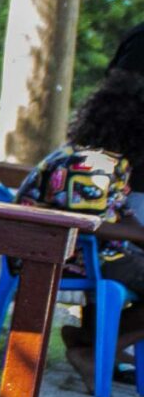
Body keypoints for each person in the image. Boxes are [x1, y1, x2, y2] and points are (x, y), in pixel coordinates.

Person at [17, 25, 144, 356]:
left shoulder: (103, 158)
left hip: (84, 253)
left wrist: (134, 231)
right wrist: (136, 235)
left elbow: (115, 215)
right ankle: (96, 352)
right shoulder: (94, 165)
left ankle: (88, 343)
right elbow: (88, 225)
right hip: (65, 255)